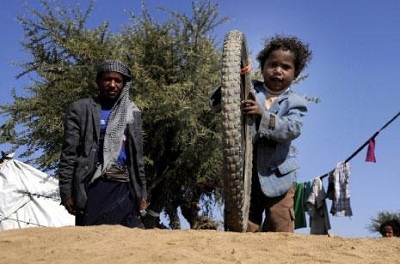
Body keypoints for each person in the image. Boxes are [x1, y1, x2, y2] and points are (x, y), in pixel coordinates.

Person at [58, 60, 147, 228]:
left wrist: (142, 193)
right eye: (107, 79)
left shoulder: (132, 112)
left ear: (124, 84)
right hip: (93, 188)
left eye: (118, 81)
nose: (112, 85)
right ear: (98, 82)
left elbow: (137, 158)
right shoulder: (81, 109)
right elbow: (69, 154)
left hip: (124, 188)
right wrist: (66, 192)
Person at [241, 35, 312, 232]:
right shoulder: (249, 88)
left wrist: (262, 115)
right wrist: (236, 76)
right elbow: (219, 101)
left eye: (286, 67)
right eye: (272, 64)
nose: (278, 71)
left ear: (295, 74)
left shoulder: (296, 102)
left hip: (280, 180)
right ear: (262, 67)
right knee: (244, 228)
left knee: (279, 230)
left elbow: (292, 129)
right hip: (247, 178)